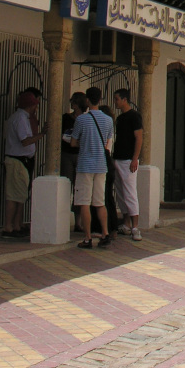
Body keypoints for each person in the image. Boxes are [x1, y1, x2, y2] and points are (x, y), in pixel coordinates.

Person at [69, 86, 114, 248]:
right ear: (100, 99)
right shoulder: (108, 120)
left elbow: (73, 142)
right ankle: (105, 233)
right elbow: (107, 141)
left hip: (85, 165)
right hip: (101, 165)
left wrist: (84, 142)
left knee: (84, 202)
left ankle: (88, 237)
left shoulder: (81, 119)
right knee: (100, 202)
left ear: (87, 100)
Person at [3, 87, 44, 237]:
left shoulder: (23, 117)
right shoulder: (20, 118)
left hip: (22, 160)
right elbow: (25, 141)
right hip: (17, 160)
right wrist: (41, 135)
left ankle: (17, 225)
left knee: (20, 195)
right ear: (31, 105)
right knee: (14, 195)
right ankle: (9, 226)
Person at [112, 88, 144, 240]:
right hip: (117, 158)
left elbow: (139, 137)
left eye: (117, 99)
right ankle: (126, 223)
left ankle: (135, 226)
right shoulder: (120, 118)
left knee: (130, 192)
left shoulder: (134, 116)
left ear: (125, 99)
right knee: (120, 192)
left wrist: (135, 158)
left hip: (128, 160)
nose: (115, 102)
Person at [61, 91, 88, 231]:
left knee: (79, 188)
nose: (72, 104)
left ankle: (78, 222)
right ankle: (63, 219)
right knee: (66, 186)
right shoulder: (66, 118)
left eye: (74, 102)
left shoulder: (85, 119)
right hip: (66, 154)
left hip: (79, 154)